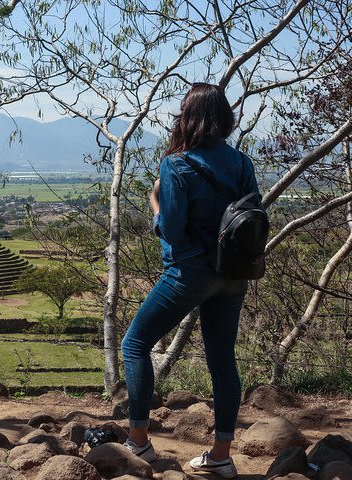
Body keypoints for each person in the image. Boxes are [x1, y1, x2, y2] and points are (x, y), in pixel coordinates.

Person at [86, 83, 261, 479]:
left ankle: (139, 442)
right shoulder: (241, 163)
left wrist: (154, 203)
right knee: (222, 360)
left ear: (188, 117)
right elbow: (253, 216)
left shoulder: (176, 164)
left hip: (188, 273)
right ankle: (221, 455)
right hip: (233, 274)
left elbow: (173, 230)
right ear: (225, 118)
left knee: (135, 344)